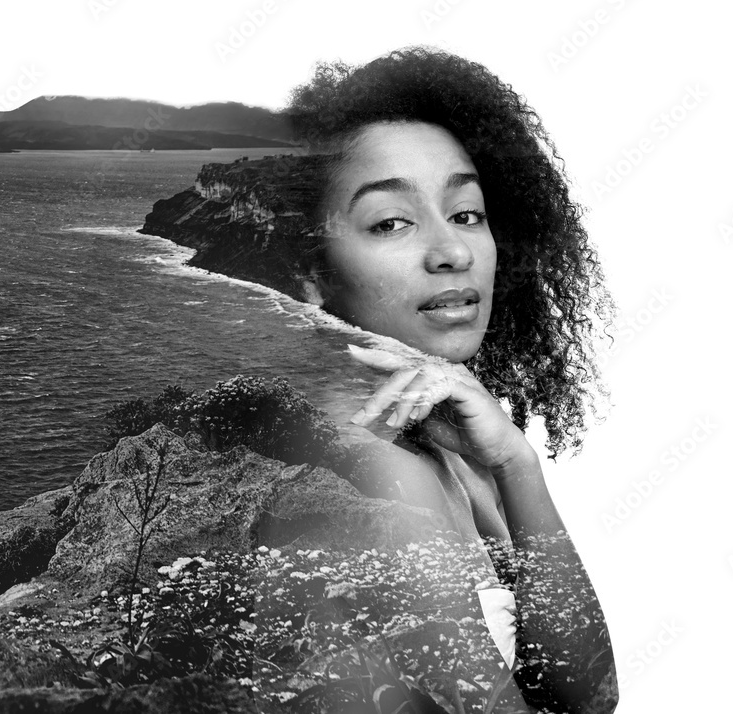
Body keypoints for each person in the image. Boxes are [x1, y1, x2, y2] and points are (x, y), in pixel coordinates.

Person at [250, 46, 618, 713]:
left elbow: (586, 695)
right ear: (310, 273)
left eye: (467, 213)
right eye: (392, 222)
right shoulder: (375, 477)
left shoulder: (446, 440)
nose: (452, 252)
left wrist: (515, 463)